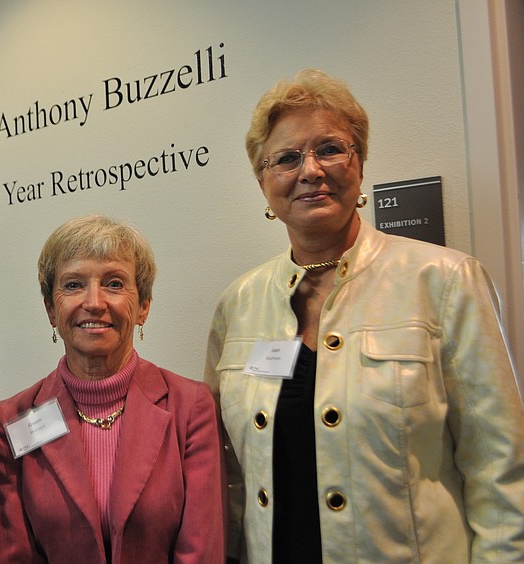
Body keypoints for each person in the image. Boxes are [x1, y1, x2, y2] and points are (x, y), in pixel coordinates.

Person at [205, 68, 524, 563]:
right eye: (286, 158)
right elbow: (229, 477)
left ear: (360, 163)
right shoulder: (237, 305)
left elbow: (501, 473)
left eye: (330, 148)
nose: (310, 170)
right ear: (264, 183)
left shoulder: (446, 281)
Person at [0, 214, 226, 563]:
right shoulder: (13, 419)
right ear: (51, 309)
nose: (94, 302)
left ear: (143, 306)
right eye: (72, 285)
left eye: (114, 284)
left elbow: (201, 550)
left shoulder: (190, 408)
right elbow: (14, 555)